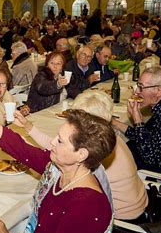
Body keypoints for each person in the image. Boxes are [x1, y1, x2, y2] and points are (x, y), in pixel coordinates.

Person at [0, 101, 115, 233]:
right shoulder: (59, 169)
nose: (52, 142)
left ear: (81, 154)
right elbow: (18, 147)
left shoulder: (89, 205)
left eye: (60, 141)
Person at [14, 90, 148, 221]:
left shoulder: (97, 152)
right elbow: (56, 146)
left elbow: (57, 152)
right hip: (142, 204)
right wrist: (28, 126)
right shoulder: (108, 139)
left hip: (122, 220)